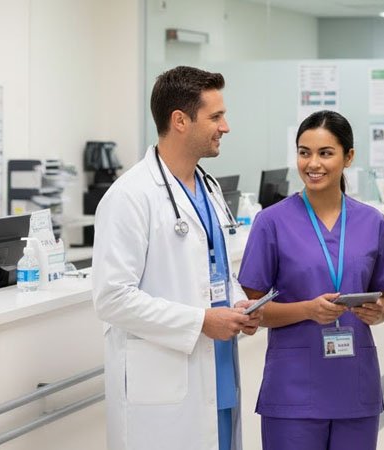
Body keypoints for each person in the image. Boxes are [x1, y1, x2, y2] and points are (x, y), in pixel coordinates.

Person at [92, 66, 262, 450]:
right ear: (180, 120)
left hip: (216, 374)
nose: (226, 126)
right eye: (216, 117)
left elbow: (214, 266)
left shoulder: (208, 185)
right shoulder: (130, 197)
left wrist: (237, 302)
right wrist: (201, 321)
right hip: (164, 387)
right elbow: (112, 298)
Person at [237, 110, 384, 450]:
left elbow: (383, 302)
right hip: (293, 388)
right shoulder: (271, 222)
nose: (313, 163)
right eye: (304, 152)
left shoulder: (371, 222)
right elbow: (253, 313)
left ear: (349, 157)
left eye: (325, 153)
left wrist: (379, 311)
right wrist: (308, 311)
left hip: (355, 384)